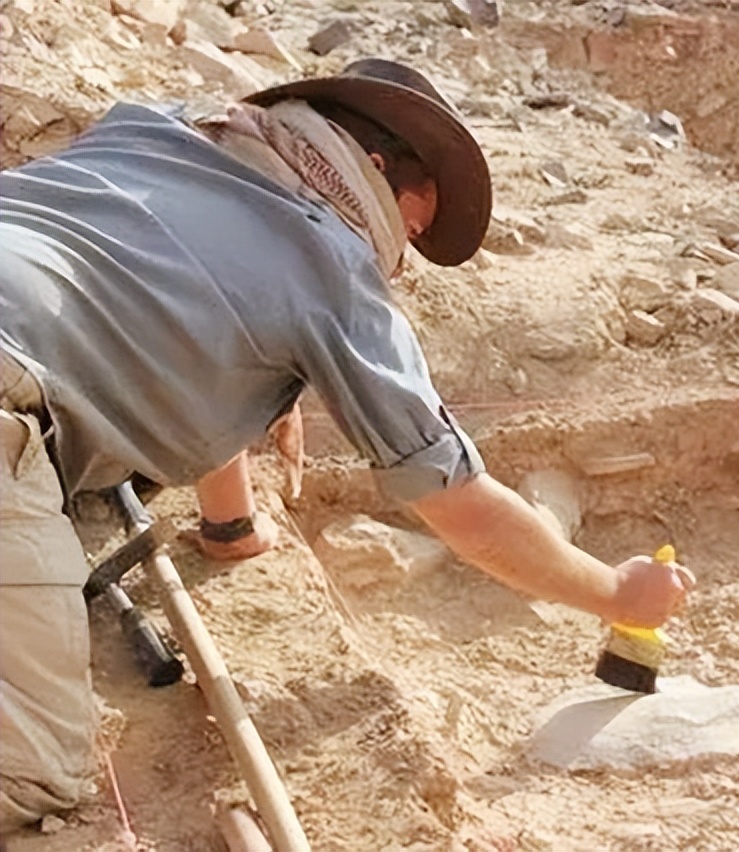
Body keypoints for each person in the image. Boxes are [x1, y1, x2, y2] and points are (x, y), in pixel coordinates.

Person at [0, 59, 695, 831]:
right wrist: (616, 594)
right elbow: (459, 501)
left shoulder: (157, 126)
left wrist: (231, 522)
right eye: (413, 222)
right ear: (371, 166)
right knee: (29, 781)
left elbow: (181, 312)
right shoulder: (332, 265)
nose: (402, 253)